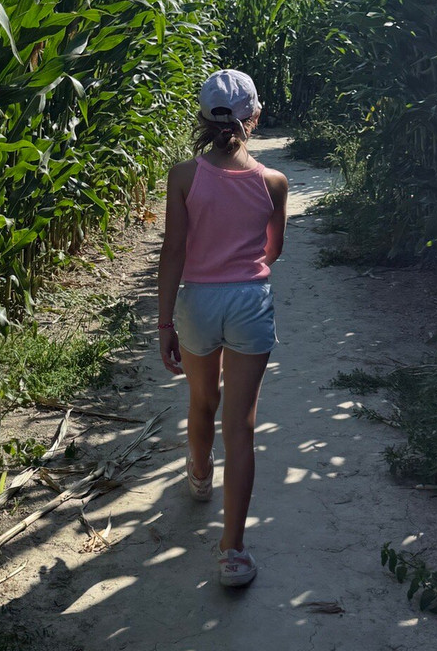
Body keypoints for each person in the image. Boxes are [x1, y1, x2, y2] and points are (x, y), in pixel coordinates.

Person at [156, 69, 289, 587]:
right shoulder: (272, 182)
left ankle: (199, 474)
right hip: (249, 300)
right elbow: (274, 250)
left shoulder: (183, 176)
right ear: (253, 117)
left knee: (200, 398)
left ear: (202, 118)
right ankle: (232, 552)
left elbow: (172, 251)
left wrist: (165, 319)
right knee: (242, 427)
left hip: (197, 302)